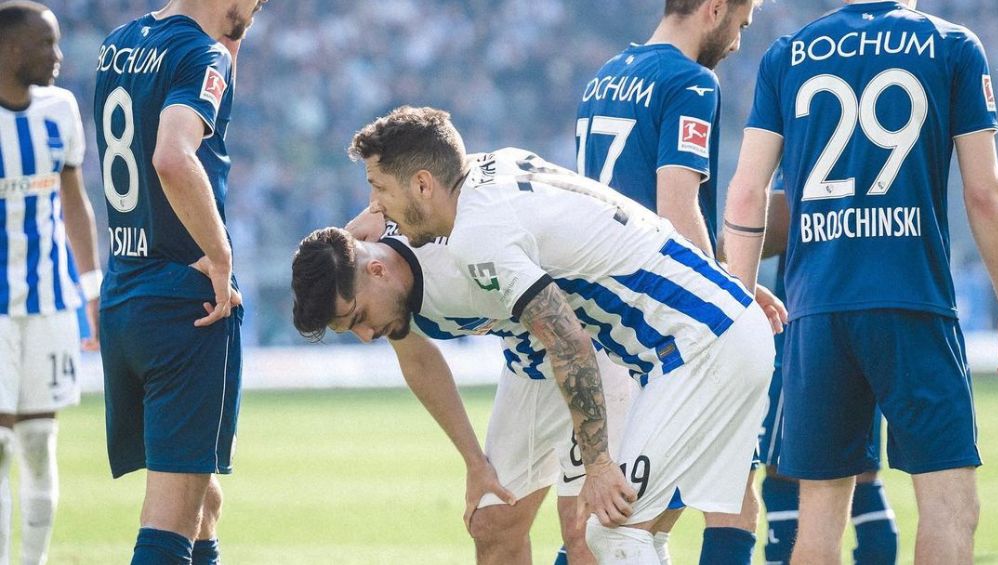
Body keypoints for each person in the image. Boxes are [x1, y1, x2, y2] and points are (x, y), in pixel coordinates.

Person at [349, 107, 779, 564]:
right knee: (638, 530)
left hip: (699, 345)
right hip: (714, 327)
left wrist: (597, 464)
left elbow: (570, 343)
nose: (375, 205)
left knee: (611, 534)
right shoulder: (490, 170)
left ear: (421, 184)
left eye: (379, 188)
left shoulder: (478, 235)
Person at [723, 1, 998, 563]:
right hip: (912, 300)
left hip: (816, 310)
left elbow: (746, 194)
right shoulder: (950, 45)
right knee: (950, 509)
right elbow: (984, 193)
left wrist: (736, 298)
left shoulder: (788, 54)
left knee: (818, 523)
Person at [291, 218, 638, 564]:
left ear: (378, 271)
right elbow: (420, 361)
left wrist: (599, 463)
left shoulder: (454, 246)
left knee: (587, 529)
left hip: (588, 348)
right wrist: (475, 464)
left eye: (359, 317)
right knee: (491, 523)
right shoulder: (384, 285)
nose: (366, 335)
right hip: (527, 365)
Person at [576, 1, 771, 562]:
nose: (737, 41)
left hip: (605, 311)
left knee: (720, 491)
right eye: (740, 23)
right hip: (666, 320)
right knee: (639, 518)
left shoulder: (603, 78)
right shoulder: (691, 81)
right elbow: (677, 208)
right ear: (714, 10)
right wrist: (725, 296)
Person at [93, 1, 267, 562]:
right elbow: (172, 155)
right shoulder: (200, 53)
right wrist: (219, 256)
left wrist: (230, 39)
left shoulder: (120, 42)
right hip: (184, 302)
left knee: (200, 498)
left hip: (126, 292)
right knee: (170, 519)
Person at [0, 3, 101, 563]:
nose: (59, 57)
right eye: (47, 44)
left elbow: (74, 201)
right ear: (12, 50)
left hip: (50, 299)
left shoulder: (60, 111)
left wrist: (91, 291)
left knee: (39, 440)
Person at [755, 180, 898, 565]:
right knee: (863, 476)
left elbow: (785, 216)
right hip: (877, 308)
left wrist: (730, 238)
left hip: (809, 319)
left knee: (785, 474)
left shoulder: (812, 121)